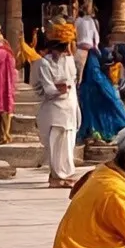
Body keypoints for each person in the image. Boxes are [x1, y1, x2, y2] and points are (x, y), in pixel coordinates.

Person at [32, 31, 81, 186]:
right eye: (57, 48)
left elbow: (73, 80)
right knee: (56, 142)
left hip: (70, 104)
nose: (60, 52)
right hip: (54, 107)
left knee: (68, 141)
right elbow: (47, 87)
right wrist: (58, 89)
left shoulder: (70, 60)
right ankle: (57, 176)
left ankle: (67, 174)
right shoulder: (44, 63)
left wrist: (67, 88)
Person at [77, 45, 125, 144]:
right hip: (94, 88)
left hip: (92, 89)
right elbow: (95, 74)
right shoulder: (93, 57)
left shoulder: (95, 54)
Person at [0, 23, 16, 145]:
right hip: (3, 84)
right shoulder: (5, 49)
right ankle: (4, 134)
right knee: (3, 108)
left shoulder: (4, 48)